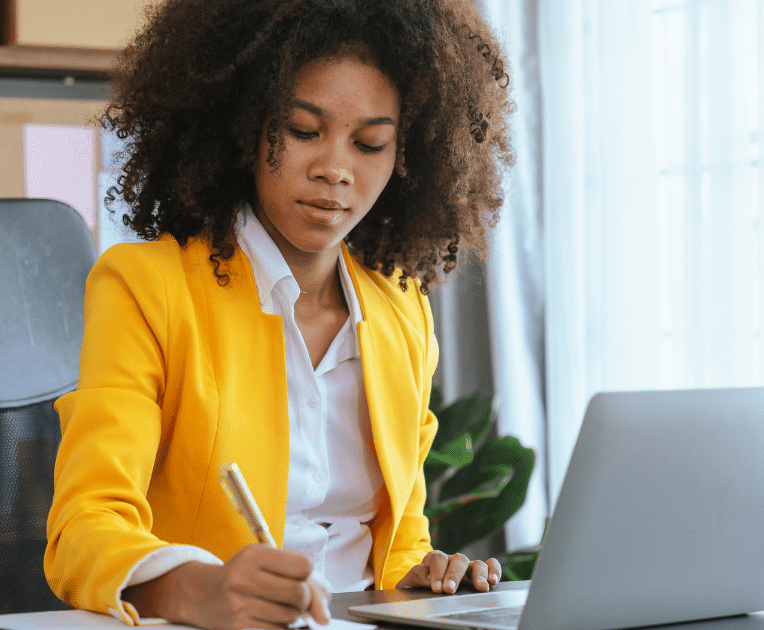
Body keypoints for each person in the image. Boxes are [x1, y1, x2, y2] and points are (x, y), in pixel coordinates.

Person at [44, 1, 514, 629]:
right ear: (241, 125)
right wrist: (199, 590)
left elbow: (398, 540)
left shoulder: (402, 311)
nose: (336, 170)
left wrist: (421, 577)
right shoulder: (147, 287)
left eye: (370, 143)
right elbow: (85, 527)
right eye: (302, 130)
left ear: (407, 157)